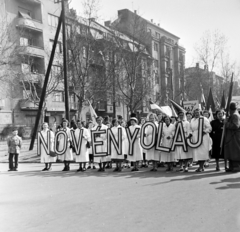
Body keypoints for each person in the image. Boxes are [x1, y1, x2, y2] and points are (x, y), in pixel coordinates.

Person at [224, 102, 240, 172]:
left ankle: (236, 166)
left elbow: (236, 126)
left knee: (234, 151)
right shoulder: (233, 115)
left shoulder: (235, 115)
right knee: (230, 151)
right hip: (231, 136)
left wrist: (226, 123)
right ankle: (231, 166)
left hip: (234, 136)